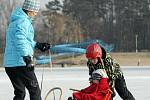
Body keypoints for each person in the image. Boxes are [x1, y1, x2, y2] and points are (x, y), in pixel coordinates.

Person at [3, 0, 50, 100]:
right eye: (35, 11)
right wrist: (27, 57)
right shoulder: (23, 21)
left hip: (10, 65)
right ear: (30, 10)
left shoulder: (15, 21)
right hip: (21, 63)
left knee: (20, 93)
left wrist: (38, 45)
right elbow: (19, 39)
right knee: (35, 91)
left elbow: (24, 40)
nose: (36, 14)